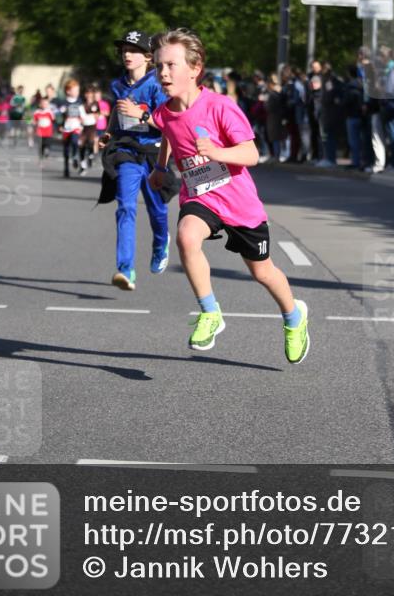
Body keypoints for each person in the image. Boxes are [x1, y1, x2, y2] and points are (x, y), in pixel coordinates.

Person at [148, 28, 309, 365]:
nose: (163, 73)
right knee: (186, 238)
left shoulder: (220, 106)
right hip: (200, 197)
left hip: (238, 202)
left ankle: (294, 318)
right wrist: (160, 168)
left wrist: (219, 153)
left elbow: (251, 154)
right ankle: (210, 312)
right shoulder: (164, 111)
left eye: (171, 65)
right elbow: (167, 133)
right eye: (159, 66)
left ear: (195, 68)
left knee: (262, 273)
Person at [99, 30, 170, 290]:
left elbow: (167, 124)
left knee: (157, 210)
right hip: (127, 150)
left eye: (133, 50)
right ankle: (125, 269)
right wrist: (107, 133)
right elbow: (117, 115)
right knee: (126, 207)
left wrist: (141, 116)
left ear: (148, 57)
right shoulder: (118, 84)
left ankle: (161, 242)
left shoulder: (157, 84)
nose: (127, 55)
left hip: (153, 151)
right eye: (124, 50)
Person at [60, 78, 85, 178]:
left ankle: (75, 156)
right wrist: (60, 125)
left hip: (76, 127)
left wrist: (82, 122)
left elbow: (83, 115)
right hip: (66, 128)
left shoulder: (79, 103)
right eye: (75, 90)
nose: (77, 92)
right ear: (68, 91)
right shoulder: (63, 103)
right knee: (66, 149)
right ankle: (66, 168)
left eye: (78, 90)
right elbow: (58, 116)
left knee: (75, 141)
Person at [33, 95, 55, 160]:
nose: (44, 105)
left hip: (48, 131)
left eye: (46, 104)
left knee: (47, 143)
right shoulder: (37, 112)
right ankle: (41, 156)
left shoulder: (49, 112)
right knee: (41, 145)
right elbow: (34, 120)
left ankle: (47, 150)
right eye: (43, 103)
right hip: (40, 132)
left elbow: (53, 120)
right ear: (40, 104)